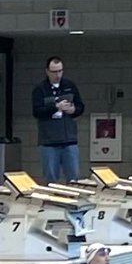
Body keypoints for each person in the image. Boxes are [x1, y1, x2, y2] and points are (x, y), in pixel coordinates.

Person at [31, 56, 84, 184]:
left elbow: (80, 106)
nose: (57, 75)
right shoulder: (40, 89)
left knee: (73, 177)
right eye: (54, 72)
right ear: (47, 71)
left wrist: (73, 110)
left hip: (69, 139)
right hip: (49, 141)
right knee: (51, 178)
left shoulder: (70, 86)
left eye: (60, 71)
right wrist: (55, 107)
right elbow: (37, 112)